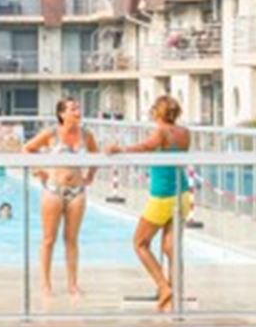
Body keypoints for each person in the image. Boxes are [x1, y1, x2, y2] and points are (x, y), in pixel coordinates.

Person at [106, 94, 192, 311]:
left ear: (157, 112)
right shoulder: (185, 133)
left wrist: (120, 150)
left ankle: (164, 287)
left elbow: (146, 146)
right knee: (171, 248)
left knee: (140, 243)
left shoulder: (162, 131)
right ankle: (173, 295)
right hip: (182, 193)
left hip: (162, 195)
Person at [24, 97, 97, 302]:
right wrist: (38, 170)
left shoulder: (86, 135)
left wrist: (90, 175)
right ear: (62, 114)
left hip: (77, 191)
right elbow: (27, 149)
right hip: (53, 190)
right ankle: (46, 285)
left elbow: (96, 155)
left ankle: (73, 285)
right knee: (49, 240)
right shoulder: (51, 134)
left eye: (78, 107)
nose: (77, 111)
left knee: (72, 240)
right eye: (73, 108)